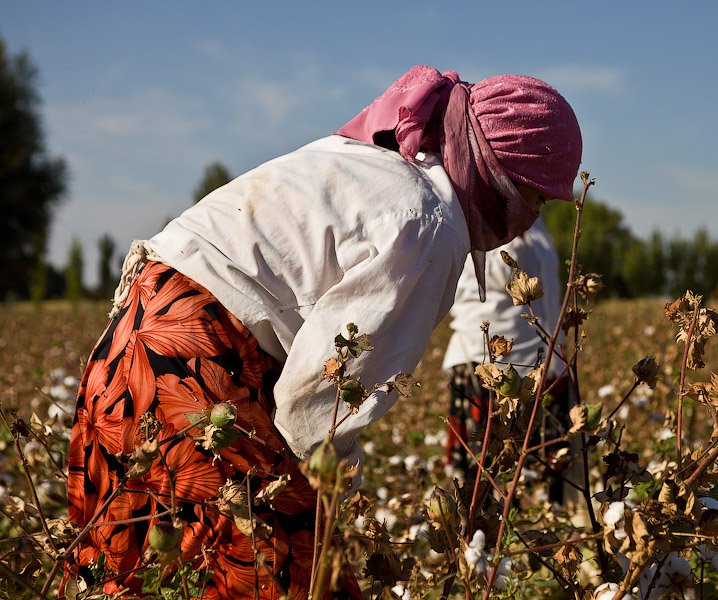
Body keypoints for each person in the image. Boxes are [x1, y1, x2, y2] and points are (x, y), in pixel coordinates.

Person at [64, 65, 581, 598]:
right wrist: (332, 504)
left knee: (120, 560)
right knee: (289, 576)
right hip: (192, 359)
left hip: (135, 334)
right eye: (534, 198)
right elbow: (322, 403)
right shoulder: (431, 224)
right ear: (494, 169)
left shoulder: (379, 162)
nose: (528, 221)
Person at [442, 216, 579, 504]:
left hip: (545, 369)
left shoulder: (537, 222)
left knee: (543, 490)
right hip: (485, 366)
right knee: (486, 485)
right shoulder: (471, 218)